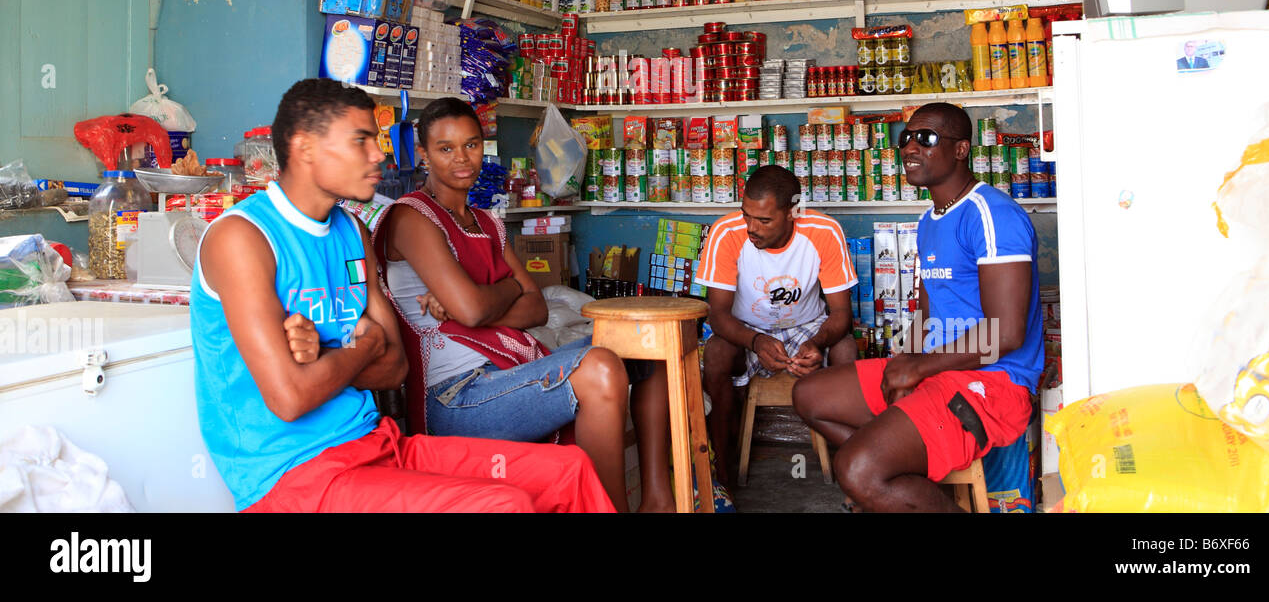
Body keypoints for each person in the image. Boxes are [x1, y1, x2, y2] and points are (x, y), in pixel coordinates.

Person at [191, 79, 613, 513]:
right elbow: (290, 397)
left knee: (570, 471)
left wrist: (325, 357)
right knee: (500, 504)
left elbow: (394, 367)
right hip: (292, 477)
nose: (379, 154)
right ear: (305, 148)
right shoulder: (244, 237)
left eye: (375, 139)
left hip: (376, 444)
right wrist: (363, 346)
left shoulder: (351, 231)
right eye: (361, 141)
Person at [371, 97, 674, 513]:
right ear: (423, 154)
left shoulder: (486, 222)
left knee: (644, 351)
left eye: (472, 145)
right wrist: (504, 290)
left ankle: (659, 501)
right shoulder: (412, 219)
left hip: (509, 371)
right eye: (445, 148)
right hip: (457, 395)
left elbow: (536, 309)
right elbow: (477, 311)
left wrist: (482, 296)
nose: (462, 158)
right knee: (599, 368)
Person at [793, 103, 1043, 513]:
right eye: (905, 138)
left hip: (994, 382)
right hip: (938, 367)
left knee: (856, 470)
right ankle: (904, 487)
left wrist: (919, 368)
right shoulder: (930, 219)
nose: (910, 147)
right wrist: (907, 357)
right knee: (809, 395)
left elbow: (1007, 332)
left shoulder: (992, 214)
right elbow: (927, 305)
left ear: (961, 149)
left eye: (925, 138)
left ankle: (884, 483)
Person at [693, 164, 859, 489]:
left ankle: (851, 467)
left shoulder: (824, 231)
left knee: (846, 348)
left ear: (793, 212)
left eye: (764, 220)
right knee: (716, 353)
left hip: (807, 326)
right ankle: (723, 475)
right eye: (747, 215)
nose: (752, 227)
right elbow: (718, 316)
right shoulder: (726, 233)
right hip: (745, 328)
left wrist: (818, 342)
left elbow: (841, 314)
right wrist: (755, 341)